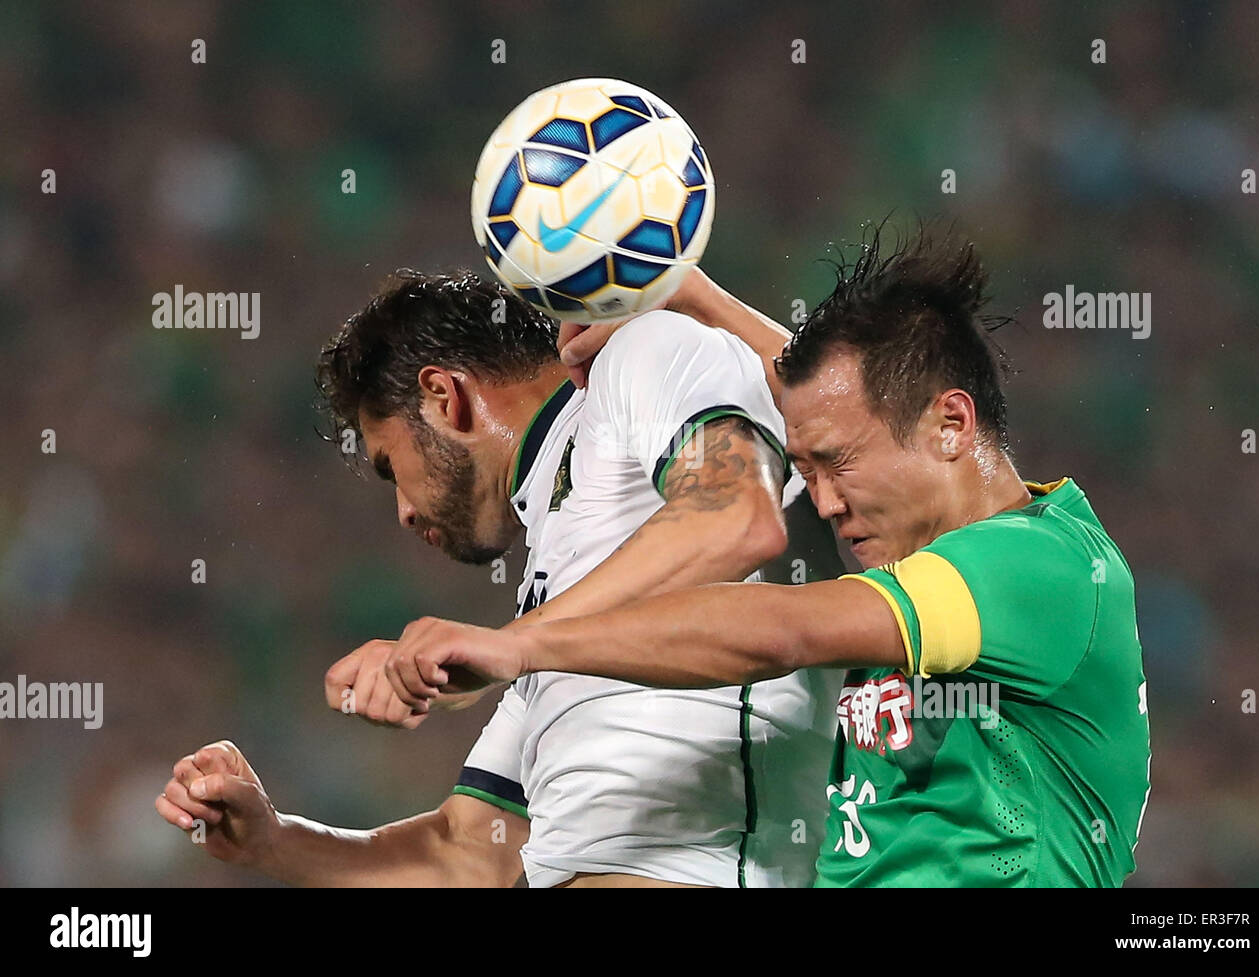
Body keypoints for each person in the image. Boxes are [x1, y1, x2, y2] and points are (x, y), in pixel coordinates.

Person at [394, 230, 1155, 887]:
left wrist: (520, 645)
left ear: (952, 423)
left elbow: (779, 631)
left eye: (837, 466)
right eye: (807, 472)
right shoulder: (934, 568)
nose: (821, 504)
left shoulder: (1037, 564)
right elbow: (836, 402)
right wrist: (691, 296)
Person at [156, 268, 843, 887]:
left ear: (443, 396)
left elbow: (734, 515)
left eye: (389, 465)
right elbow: (472, 852)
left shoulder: (644, 350)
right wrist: (276, 841)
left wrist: (512, 644)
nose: (401, 511)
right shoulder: (557, 587)